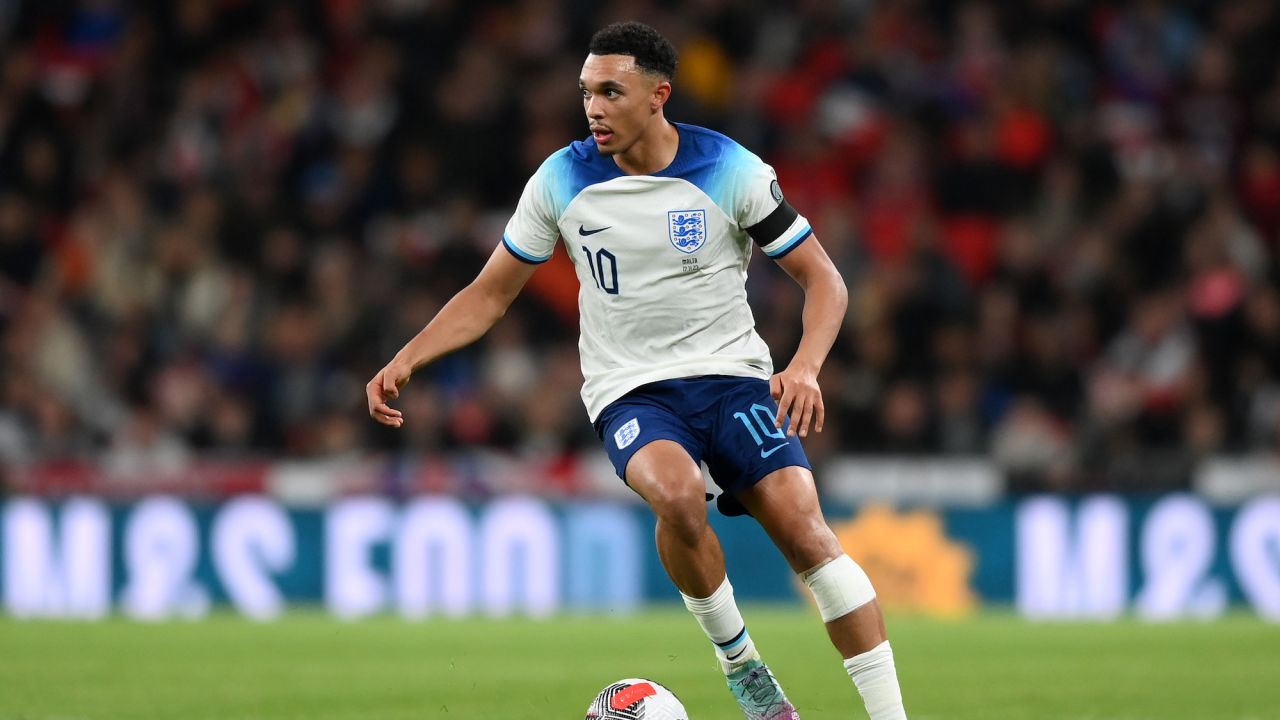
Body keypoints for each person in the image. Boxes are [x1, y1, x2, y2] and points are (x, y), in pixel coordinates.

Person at [366, 21, 907, 720]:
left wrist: (805, 367)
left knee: (808, 535)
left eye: (610, 91)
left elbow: (825, 281)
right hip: (632, 391)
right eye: (587, 92)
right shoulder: (560, 179)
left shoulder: (730, 170)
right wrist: (407, 357)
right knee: (677, 496)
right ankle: (742, 667)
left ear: (658, 95)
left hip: (734, 378)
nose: (592, 107)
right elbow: (490, 293)